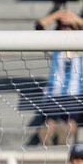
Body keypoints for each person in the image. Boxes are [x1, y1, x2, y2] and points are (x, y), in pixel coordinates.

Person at [31, 9, 83, 146]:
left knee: (71, 121)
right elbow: (39, 26)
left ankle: (63, 139)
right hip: (54, 93)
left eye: (69, 27)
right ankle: (48, 139)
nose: (66, 29)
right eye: (63, 27)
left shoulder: (80, 47)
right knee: (50, 121)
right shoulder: (54, 47)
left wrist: (75, 19)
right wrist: (58, 15)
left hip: (76, 94)